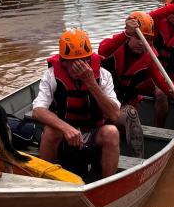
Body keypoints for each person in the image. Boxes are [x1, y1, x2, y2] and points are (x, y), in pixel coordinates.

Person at [32, 28, 122, 178]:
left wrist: (91, 82)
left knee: (112, 133)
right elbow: (37, 110)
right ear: (62, 61)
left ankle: (107, 183)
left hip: (94, 131)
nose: (77, 66)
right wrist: (66, 128)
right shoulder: (51, 75)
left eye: (83, 61)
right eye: (72, 61)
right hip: (64, 131)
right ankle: (42, 180)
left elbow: (114, 114)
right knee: (50, 131)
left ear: (89, 60)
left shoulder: (104, 75)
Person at [98, 11, 174, 157]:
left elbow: (160, 80)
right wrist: (126, 33)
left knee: (132, 112)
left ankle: (138, 161)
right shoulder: (115, 46)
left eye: (148, 39)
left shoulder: (149, 57)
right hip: (99, 106)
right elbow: (103, 50)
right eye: (138, 38)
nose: (142, 43)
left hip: (120, 108)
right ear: (129, 35)